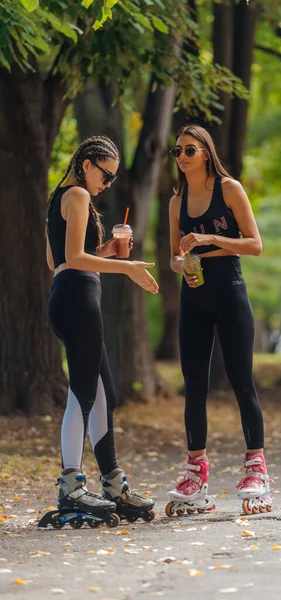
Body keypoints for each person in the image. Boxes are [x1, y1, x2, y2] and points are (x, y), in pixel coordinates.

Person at [42, 135, 158, 529]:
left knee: (104, 394)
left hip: (71, 293)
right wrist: (129, 267)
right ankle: (72, 485)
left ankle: (112, 484)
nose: (107, 183)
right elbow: (74, 260)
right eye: (105, 174)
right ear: (87, 163)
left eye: (113, 178)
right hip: (77, 297)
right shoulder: (76, 195)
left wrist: (111, 247)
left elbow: (56, 258)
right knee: (83, 393)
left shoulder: (62, 198)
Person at [165, 124, 273, 517]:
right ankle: (196, 470)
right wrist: (182, 262)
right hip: (194, 295)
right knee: (194, 383)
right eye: (176, 151)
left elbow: (255, 244)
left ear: (206, 153)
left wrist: (210, 241)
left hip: (230, 291)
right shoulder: (177, 202)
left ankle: (256, 467)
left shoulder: (229, 189)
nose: (182, 157)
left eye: (189, 150)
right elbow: (174, 258)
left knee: (242, 381)